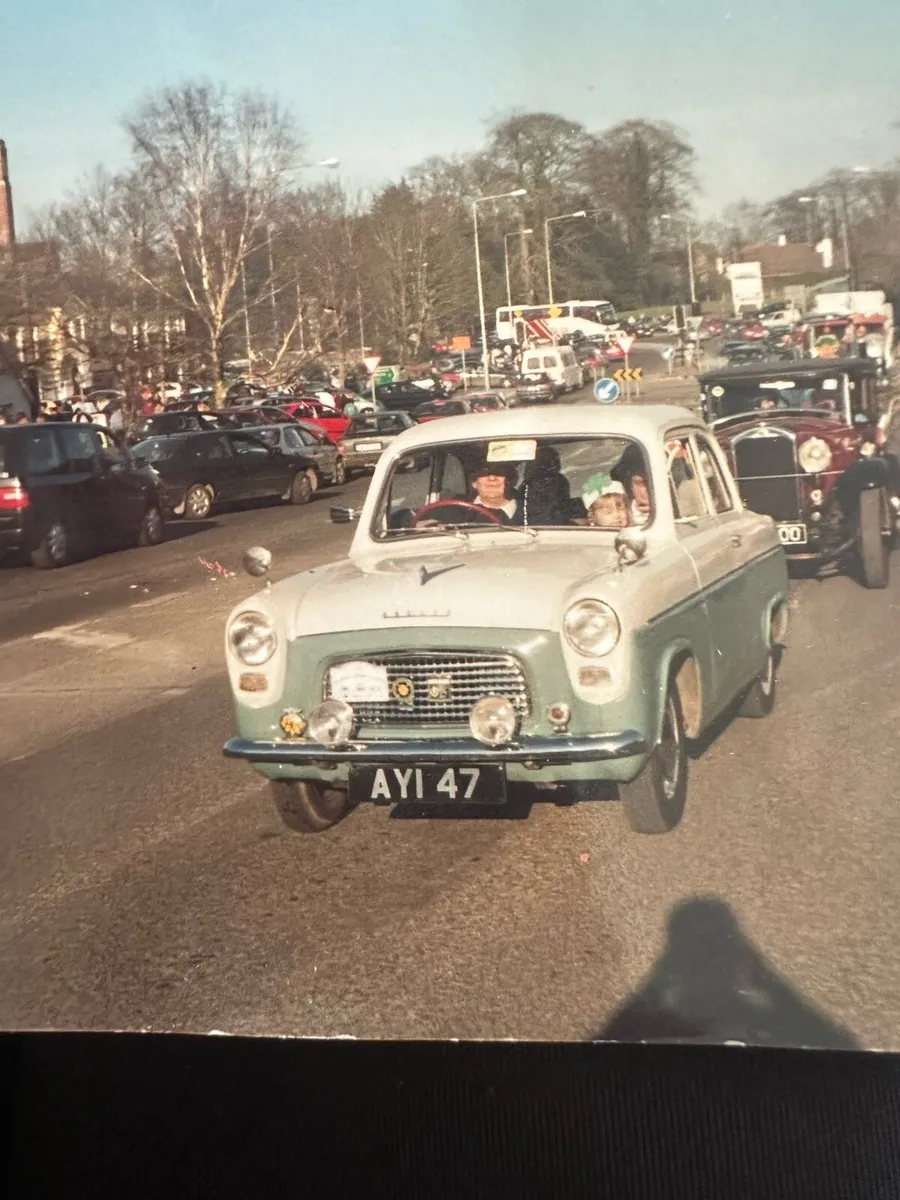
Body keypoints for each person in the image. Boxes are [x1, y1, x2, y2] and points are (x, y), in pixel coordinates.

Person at [610, 445, 651, 526]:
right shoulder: (618, 516)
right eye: (642, 483)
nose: (649, 491)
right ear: (628, 485)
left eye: (652, 483)